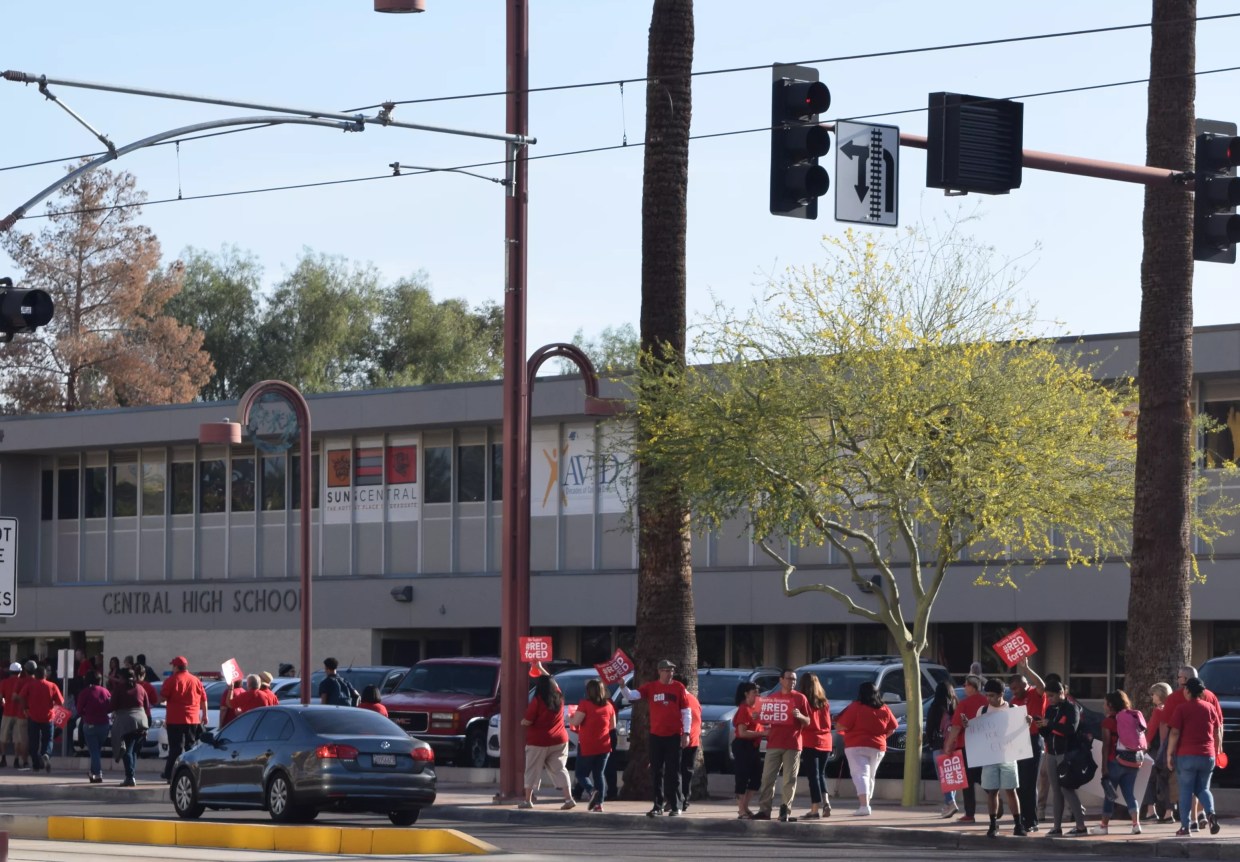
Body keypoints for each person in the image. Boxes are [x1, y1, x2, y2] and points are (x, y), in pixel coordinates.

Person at [618, 659, 691, 817]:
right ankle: (657, 805)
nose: (669, 673)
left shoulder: (679, 687)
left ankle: (675, 804)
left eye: (671, 670)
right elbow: (632, 696)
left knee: (673, 771)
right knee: (656, 771)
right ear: (659, 671)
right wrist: (623, 686)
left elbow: (686, 712)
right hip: (656, 736)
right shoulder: (651, 687)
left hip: (673, 736)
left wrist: (686, 733)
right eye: (665, 670)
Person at [1163, 665, 1221, 831]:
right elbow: (1217, 729)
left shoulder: (1182, 708)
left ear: (1188, 691)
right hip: (1207, 755)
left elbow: (1174, 732)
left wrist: (1168, 754)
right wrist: (1217, 750)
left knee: (1186, 791)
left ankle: (1185, 826)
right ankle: (1210, 813)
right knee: (1203, 788)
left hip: (1186, 755)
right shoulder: (1210, 707)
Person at [970, 678, 1026, 837]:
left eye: (993, 695)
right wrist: (970, 727)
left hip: (1008, 756)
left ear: (1002, 694)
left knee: (1011, 790)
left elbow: (1020, 733)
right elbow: (978, 733)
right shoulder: (983, 711)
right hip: (989, 757)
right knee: (992, 791)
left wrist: (1026, 723)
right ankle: (993, 824)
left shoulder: (1013, 709)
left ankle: (1018, 824)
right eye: (987, 695)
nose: (989, 699)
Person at [754, 668, 811, 822]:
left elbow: (808, 721)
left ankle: (785, 810)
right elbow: (761, 719)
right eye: (789, 678)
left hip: (793, 743)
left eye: (794, 679)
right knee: (767, 778)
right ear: (781, 680)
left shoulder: (800, 698)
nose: (791, 682)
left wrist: (799, 716)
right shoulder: (772, 698)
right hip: (774, 743)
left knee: (789, 780)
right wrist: (756, 715)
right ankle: (764, 810)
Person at [835, 680, 898, 817]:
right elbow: (893, 728)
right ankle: (866, 804)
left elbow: (840, 726)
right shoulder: (884, 708)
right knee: (870, 776)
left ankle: (864, 806)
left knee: (860, 774)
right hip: (878, 746)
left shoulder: (855, 707)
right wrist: (881, 737)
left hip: (856, 744)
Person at [1037, 680, 1088, 836]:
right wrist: (1040, 726)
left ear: (1061, 693)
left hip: (1066, 754)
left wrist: (1050, 724)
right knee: (1056, 791)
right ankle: (1056, 826)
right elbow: (1048, 733)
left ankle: (1081, 826)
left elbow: (1071, 729)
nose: (1050, 699)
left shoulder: (1071, 708)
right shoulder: (1051, 709)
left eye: (1052, 696)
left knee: (1067, 788)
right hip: (1051, 753)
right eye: (1048, 696)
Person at [517, 673, 574, 810]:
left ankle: (527, 800)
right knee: (560, 769)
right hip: (560, 740)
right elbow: (554, 684)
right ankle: (569, 798)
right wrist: (540, 667)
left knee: (532, 770)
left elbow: (529, 720)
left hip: (538, 741)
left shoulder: (537, 700)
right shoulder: (559, 698)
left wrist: (523, 722)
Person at [1094, 689, 1143, 835]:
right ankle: (1136, 824)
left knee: (1110, 794)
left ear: (1110, 705)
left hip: (1114, 762)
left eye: (1105, 703)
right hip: (1133, 761)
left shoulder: (1108, 722)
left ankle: (1104, 826)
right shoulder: (1132, 717)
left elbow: (1106, 746)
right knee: (1130, 794)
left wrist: (1104, 767)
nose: (1103, 706)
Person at [1009, 660, 1046, 833]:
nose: (1014, 691)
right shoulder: (1014, 701)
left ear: (1025, 685)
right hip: (1018, 743)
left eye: (1017, 688)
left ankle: (1031, 820)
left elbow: (1041, 685)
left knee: (1029, 784)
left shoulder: (1034, 694)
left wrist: (1027, 668)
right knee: (1019, 783)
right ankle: (1023, 818)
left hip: (1033, 740)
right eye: (1012, 689)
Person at [943, 674, 987, 822]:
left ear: (972, 687)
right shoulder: (987, 702)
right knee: (982, 776)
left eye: (966, 684)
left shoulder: (964, 704)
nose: (964, 687)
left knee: (967, 782)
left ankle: (970, 814)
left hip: (967, 745)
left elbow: (956, 727)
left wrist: (949, 745)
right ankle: (994, 798)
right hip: (985, 746)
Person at [569, 677, 615, 811]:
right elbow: (612, 726)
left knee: (581, 774)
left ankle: (591, 791)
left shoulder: (585, 704)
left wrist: (569, 718)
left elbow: (575, 722)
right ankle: (599, 804)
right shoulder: (609, 705)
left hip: (588, 744)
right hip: (604, 745)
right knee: (599, 774)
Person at [160, 656, 208, 782]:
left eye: (173, 666)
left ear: (176, 667)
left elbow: (163, 698)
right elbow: (204, 699)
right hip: (192, 719)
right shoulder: (196, 680)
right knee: (190, 748)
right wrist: (205, 715)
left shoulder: (171, 680)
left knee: (175, 749)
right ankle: (192, 774)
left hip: (175, 720)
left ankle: (170, 775)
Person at [797, 672, 832, 819]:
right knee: (821, 774)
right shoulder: (824, 702)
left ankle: (814, 808)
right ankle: (826, 802)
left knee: (813, 776)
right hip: (825, 740)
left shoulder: (803, 702)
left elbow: (803, 723)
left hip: (809, 740)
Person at [108, 667, 151, 787]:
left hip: (127, 723)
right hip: (142, 721)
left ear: (122, 678)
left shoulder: (119, 688)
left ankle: (130, 777)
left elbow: (112, 706)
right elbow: (147, 705)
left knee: (127, 750)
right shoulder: (140, 688)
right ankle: (131, 775)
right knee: (133, 751)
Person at [1140, 682, 1174, 823]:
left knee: (1148, 778)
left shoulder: (1158, 710)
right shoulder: (1174, 709)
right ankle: (1169, 812)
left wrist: (1143, 746)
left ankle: (1150, 811)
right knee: (1169, 782)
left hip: (1157, 751)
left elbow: (1151, 730)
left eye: (1153, 694)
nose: (1152, 697)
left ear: (1159, 695)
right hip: (1172, 750)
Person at [19, 664, 63, 773]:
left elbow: (21, 696)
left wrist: (25, 708)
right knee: (48, 739)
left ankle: (36, 765)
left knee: (33, 741)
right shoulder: (52, 685)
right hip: (48, 717)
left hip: (33, 716)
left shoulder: (30, 685)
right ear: (45, 675)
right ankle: (46, 754)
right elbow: (61, 701)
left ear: (35, 675)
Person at [731, 681, 765, 819]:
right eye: (754, 692)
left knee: (756, 778)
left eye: (758, 691)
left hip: (753, 746)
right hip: (743, 745)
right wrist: (763, 734)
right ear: (746, 694)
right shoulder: (744, 709)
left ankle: (745, 806)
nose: (757, 694)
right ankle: (741, 809)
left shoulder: (755, 708)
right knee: (742, 777)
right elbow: (742, 732)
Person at [926, 679, 959, 818]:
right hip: (955, 746)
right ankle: (948, 805)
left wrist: (931, 742)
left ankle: (950, 802)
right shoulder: (956, 706)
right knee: (953, 777)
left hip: (940, 746)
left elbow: (929, 728)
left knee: (944, 778)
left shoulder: (935, 707)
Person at [75, 670, 112, 783]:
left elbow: (79, 709)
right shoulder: (106, 691)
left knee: (94, 751)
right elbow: (110, 707)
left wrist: (86, 714)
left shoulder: (85, 692)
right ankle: (93, 771)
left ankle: (97, 773)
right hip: (104, 725)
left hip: (91, 724)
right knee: (96, 750)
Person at [671, 673, 702, 812]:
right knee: (687, 771)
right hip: (693, 740)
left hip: (681, 739)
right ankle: (684, 798)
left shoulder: (679, 699)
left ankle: (677, 799)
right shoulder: (694, 699)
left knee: (675, 771)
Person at [0, 662, 28, 769]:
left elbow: (1, 697)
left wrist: (4, 704)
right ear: (20, 672)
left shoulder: (4, 682)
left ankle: (3, 758)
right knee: (18, 739)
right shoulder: (23, 682)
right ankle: (16, 759)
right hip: (20, 714)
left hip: (7, 712)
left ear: (10, 672)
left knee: (3, 736)